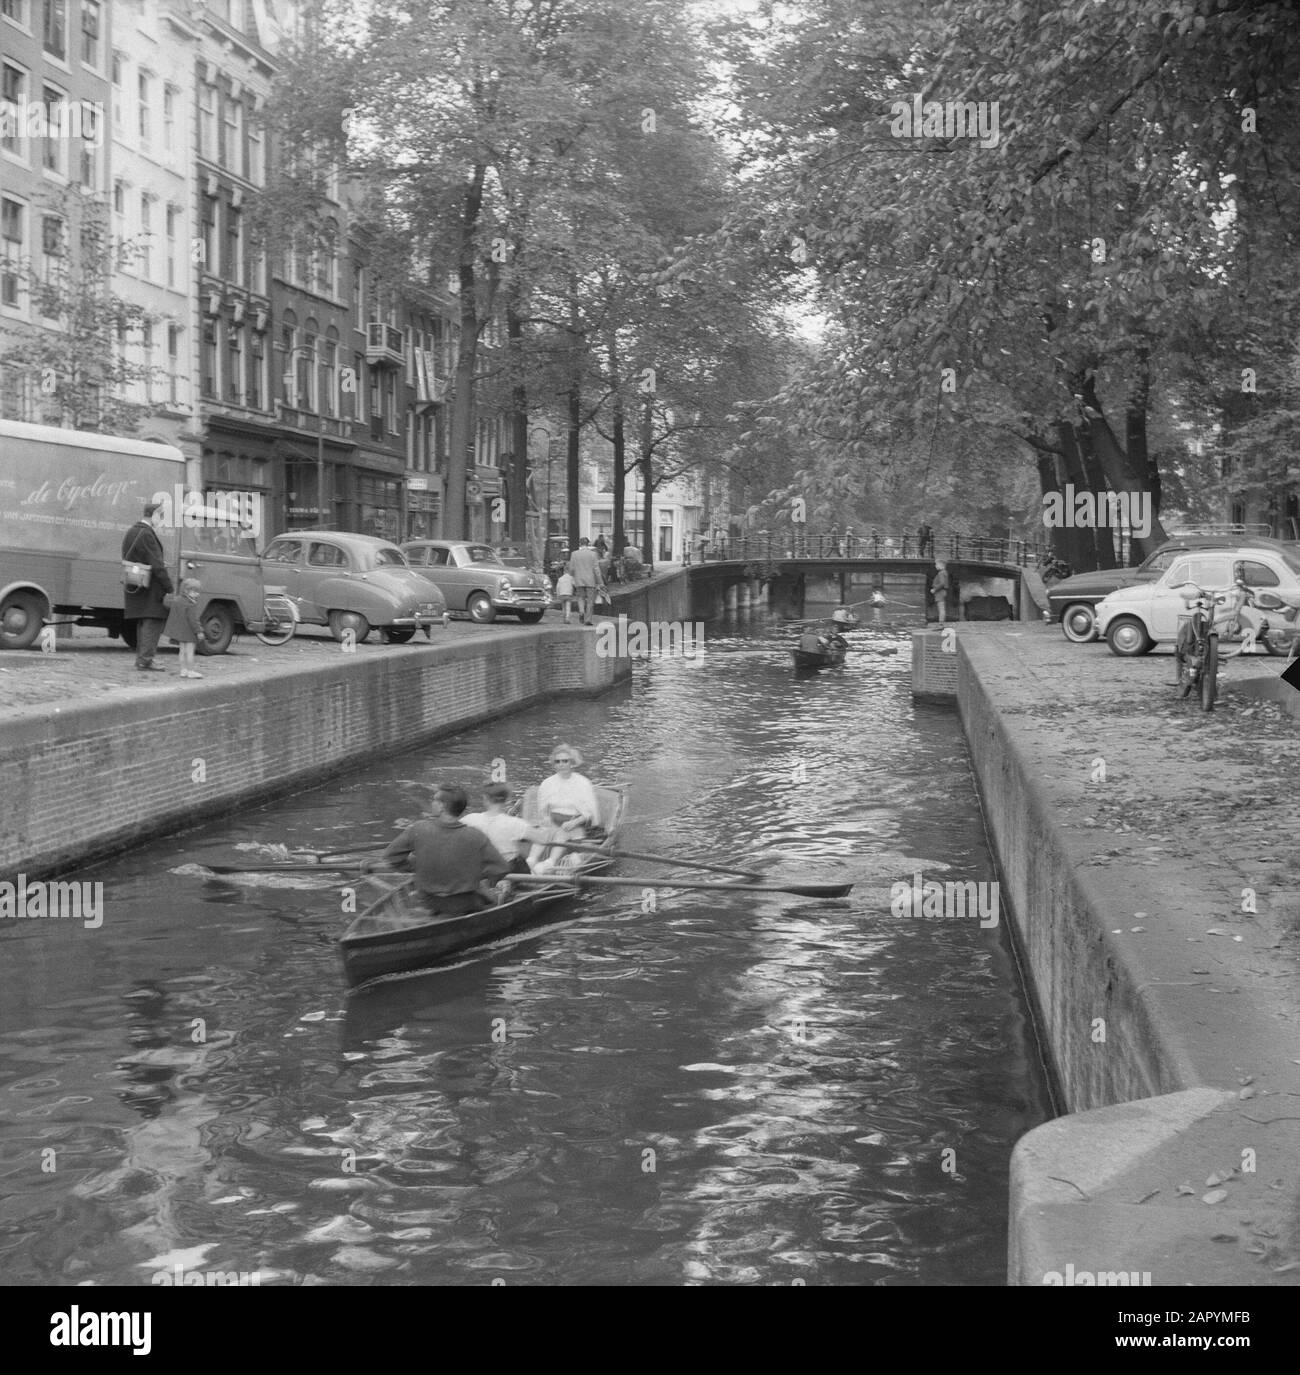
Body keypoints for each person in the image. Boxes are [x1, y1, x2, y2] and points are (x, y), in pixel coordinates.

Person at [364, 784, 508, 916]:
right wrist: (476, 877)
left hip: (429, 901)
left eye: (434, 800)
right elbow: (501, 868)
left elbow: (391, 857)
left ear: (441, 806)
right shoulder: (476, 835)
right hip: (465, 903)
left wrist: (415, 866)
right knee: (494, 898)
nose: (431, 803)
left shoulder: (418, 829)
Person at [528, 744, 601, 871]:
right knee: (542, 831)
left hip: (575, 823)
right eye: (557, 762)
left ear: (572, 763)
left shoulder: (583, 783)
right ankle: (531, 860)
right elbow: (543, 809)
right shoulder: (547, 783)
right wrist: (545, 817)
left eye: (565, 761)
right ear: (554, 764)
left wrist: (574, 822)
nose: (561, 764)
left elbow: (589, 813)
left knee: (563, 833)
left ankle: (550, 862)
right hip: (553, 822)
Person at [121, 501, 175, 672]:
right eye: (161, 515)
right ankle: (146, 660)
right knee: (152, 623)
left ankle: (142, 659)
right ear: (153, 515)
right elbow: (157, 565)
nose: (162, 520)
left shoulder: (132, 531)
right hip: (151, 588)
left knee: (143, 624)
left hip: (136, 583)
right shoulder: (147, 534)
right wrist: (169, 588)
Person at [463, 783, 551, 874]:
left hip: (477, 869)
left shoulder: (469, 819)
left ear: (485, 798)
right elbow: (543, 840)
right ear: (507, 800)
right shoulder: (516, 823)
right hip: (507, 870)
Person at [163, 577, 204, 679]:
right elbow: (193, 620)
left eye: (198, 592)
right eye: (195, 592)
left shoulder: (177, 600)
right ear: (186, 591)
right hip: (189, 632)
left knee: (182, 651)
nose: (197, 594)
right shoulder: (191, 604)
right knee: (190, 652)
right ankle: (191, 671)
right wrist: (199, 631)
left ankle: (183, 670)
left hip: (180, 632)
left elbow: (166, 603)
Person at [567, 538, 605, 625]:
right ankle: (588, 620)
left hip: (579, 579)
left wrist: (573, 576)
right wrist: (600, 582)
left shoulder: (574, 554)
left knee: (580, 597)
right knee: (590, 600)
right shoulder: (593, 554)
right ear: (588, 544)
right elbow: (596, 569)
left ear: (580, 544)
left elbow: (571, 569)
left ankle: (581, 612)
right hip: (590, 580)